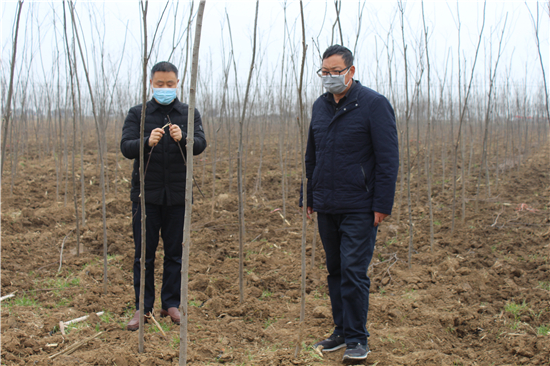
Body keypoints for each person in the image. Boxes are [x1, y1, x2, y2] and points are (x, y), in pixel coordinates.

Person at [300, 45, 399, 362]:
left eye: (335, 71)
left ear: (351, 71)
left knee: (354, 271)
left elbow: (387, 160)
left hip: (360, 204)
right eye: (324, 72)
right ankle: (341, 331)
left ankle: (358, 339)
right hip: (327, 204)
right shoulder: (319, 106)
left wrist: (382, 203)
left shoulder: (373, 105)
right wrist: (309, 196)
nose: (329, 77)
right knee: (335, 270)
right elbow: (312, 155)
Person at [120, 61, 207, 331]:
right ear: (151, 83)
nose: (165, 88)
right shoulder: (139, 113)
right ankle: (142, 307)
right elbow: (126, 147)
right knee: (143, 255)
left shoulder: (188, 113)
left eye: (170, 84)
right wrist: (146, 142)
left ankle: (170, 303)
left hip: (178, 198)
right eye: (160, 84)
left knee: (175, 254)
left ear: (177, 83)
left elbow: (201, 144)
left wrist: (184, 138)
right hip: (146, 197)